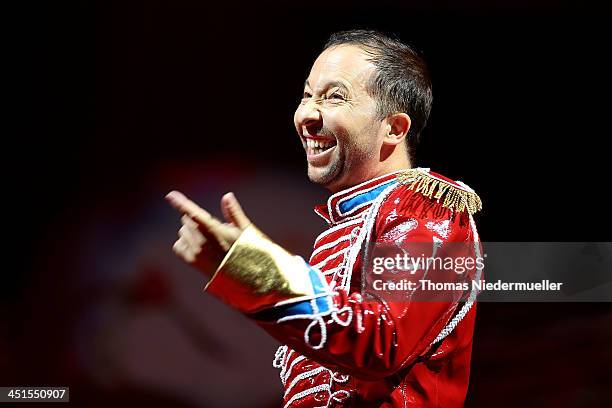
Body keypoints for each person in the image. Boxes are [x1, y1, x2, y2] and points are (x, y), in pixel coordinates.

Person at [166, 29, 482, 407]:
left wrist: (254, 270)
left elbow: (383, 340)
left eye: (334, 97)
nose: (307, 115)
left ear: (394, 128)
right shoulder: (346, 227)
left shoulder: (429, 205)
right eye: (306, 95)